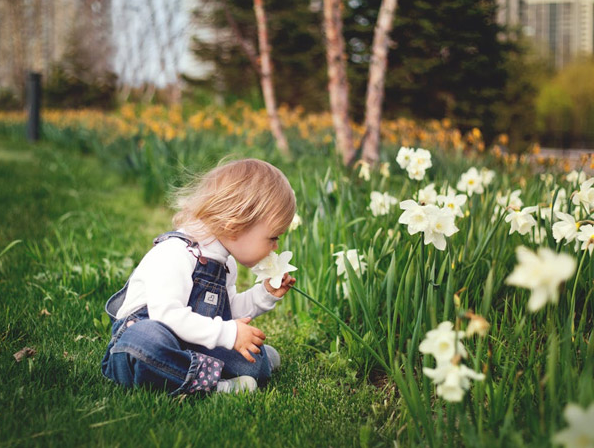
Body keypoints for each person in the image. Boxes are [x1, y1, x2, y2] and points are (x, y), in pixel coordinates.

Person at [101, 158, 297, 395]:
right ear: (236, 224)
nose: (275, 247)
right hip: (146, 341)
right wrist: (228, 334)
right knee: (145, 342)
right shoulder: (175, 253)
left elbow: (227, 311)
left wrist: (264, 294)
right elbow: (167, 316)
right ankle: (214, 386)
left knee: (255, 364)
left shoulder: (226, 263)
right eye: (273, 237)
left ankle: (240, 364)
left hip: (190, 341)